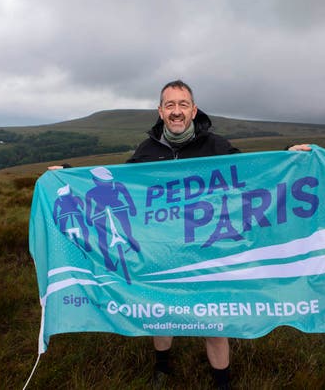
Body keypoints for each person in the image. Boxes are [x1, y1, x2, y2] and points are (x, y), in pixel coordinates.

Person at [127, 80, 310, 389]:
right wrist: (67, 175)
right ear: (160, 111)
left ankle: (221, 383)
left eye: (182, 104)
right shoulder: (146, 151)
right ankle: (162, 367)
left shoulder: (216, 146)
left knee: (213, 319)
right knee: (160, 311)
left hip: (208, 249)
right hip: (163, 247)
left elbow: (252, 175)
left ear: (193, 110)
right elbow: (121, 189)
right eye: (169, 105)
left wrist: (287, 157)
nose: (176, 111)